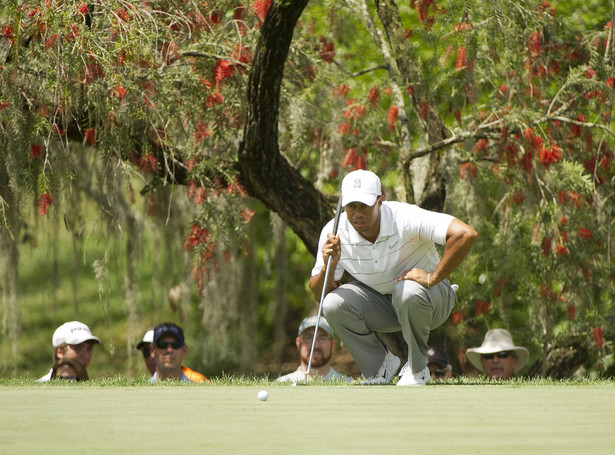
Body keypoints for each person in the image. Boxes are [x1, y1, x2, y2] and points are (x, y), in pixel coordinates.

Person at [309, 169, 477, 386]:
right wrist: (329, 267)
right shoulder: (334, 232)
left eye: (364, 206)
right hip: (387, 305)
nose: (357, 213)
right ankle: (380, 367)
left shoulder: (404, 217)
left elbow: (465, 234)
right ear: (343, 204)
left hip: (432, 298)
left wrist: (433, 277)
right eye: (351, 206)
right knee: (332, 304)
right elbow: (319, 294)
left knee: (407, 291)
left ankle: (418, 370)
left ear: (381, 200)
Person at [275, 316, 352, 384]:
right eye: (308, 338)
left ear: (332, 345)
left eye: (322, 338)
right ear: (299, 343)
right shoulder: (281, 384)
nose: (315, 345)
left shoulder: (348, 384)